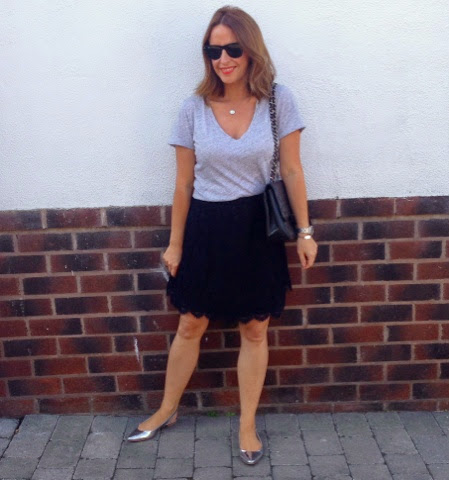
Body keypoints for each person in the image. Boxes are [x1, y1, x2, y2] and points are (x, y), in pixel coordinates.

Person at [127, 5, 317, 465]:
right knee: (191, 322)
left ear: (251, 51)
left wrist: (306, 231)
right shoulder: (192, 108)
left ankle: (247, 424)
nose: (223, 59)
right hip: (207, 227)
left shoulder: (278, 101)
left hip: (257, 228)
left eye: (233, 49)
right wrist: (175, 243)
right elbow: (183, 184)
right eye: (214, 51)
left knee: (255, 328)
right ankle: (167, 408)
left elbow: (292, 169)